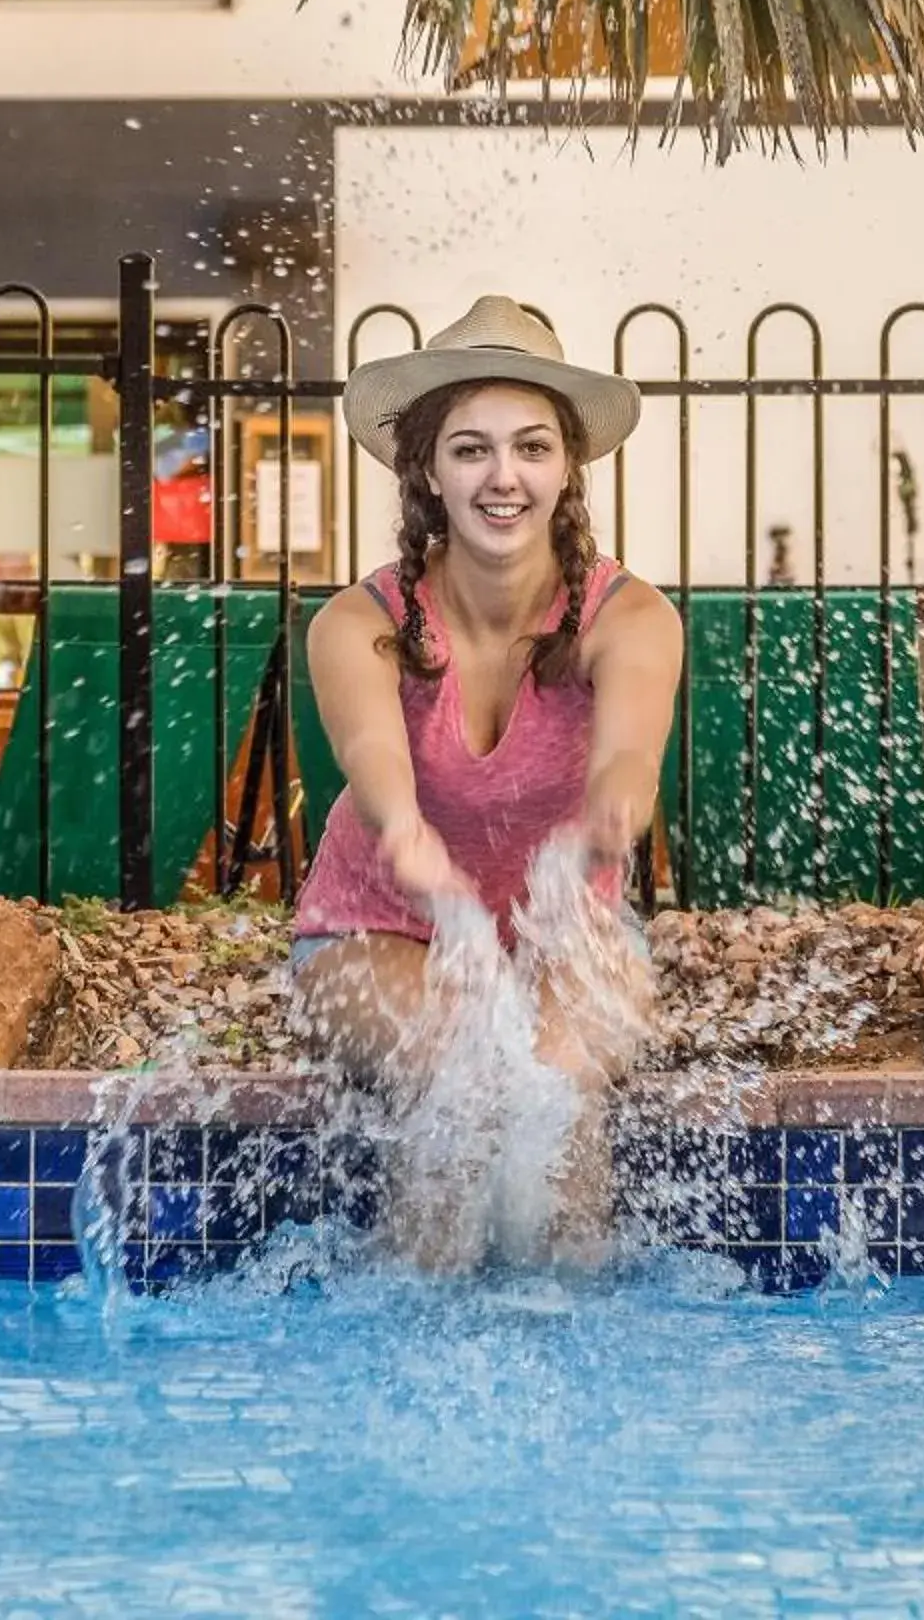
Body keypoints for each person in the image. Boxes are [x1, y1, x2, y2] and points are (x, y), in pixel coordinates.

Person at [286, 295, 684, 1262]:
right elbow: (369, 751)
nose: (504, 477)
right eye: (471, 449)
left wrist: (612, 808)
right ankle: (421, 1337)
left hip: (573, 934)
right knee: (461, 1064)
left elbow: (631, 749)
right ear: (426, 467)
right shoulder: (357, 619)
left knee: (555, 1078)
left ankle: (570, 1330)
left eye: (532, 448)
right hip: (375, 933)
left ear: (566, 468)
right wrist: (404, 829)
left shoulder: (629, 616)